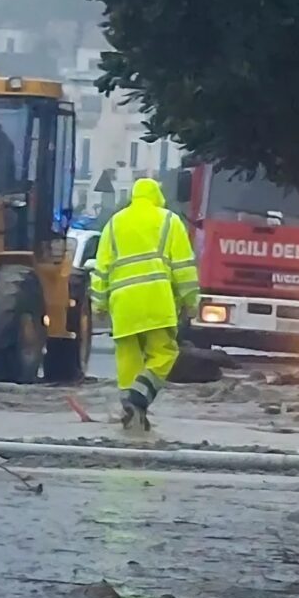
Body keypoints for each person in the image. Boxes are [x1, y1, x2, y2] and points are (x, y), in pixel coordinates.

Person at [92, 175, 200, 436]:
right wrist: (191, 302)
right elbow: (183, 267)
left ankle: (132, 413)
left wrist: (98, 304)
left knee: (128, 359)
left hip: (123, 307)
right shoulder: (169, 221)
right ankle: (139, 398)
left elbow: (101, 269)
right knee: (164, 353)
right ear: (157, 197)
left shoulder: (114, 223)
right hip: (156, 303)